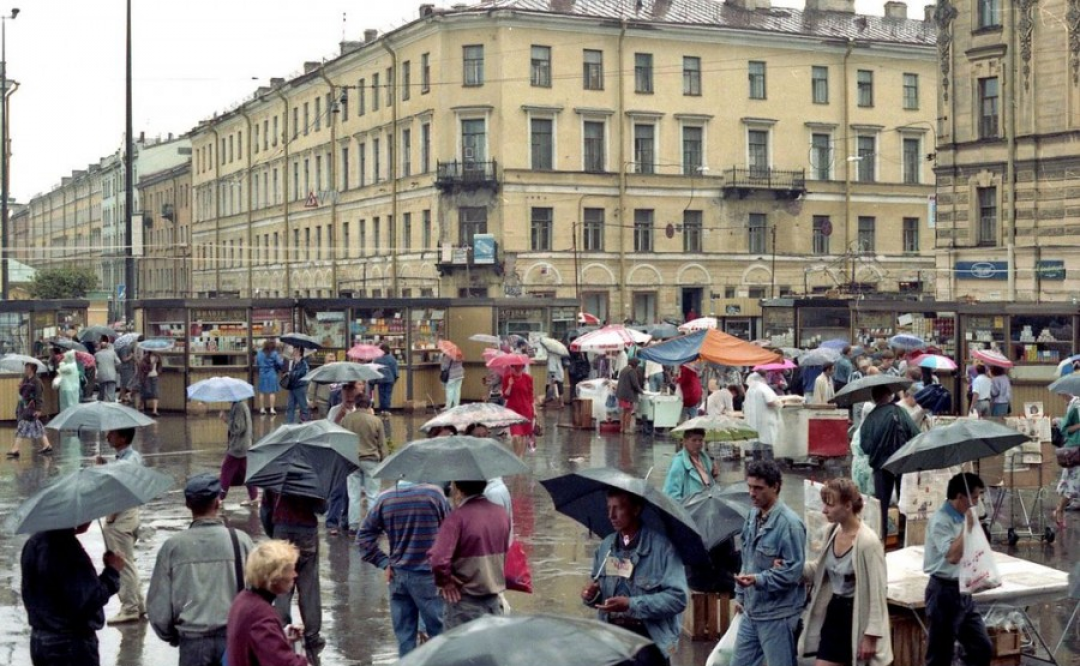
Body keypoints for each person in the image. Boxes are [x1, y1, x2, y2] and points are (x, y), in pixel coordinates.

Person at [147, 474, 255, 666]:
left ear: (188, 504)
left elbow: (158, 605)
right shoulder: (241, 541)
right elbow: (258, 595)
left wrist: (174, 635)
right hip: (233, 639)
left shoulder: (172, 547)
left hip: (192, 642)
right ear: (218, 502)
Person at [580, 489, 688, 660]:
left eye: (618, 508)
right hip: (613, 639)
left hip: (649, 640)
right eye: (609, 508)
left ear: (636, 509)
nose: (611, 515)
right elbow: (599, 589)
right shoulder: (606, 547)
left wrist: (631, 604)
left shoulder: (663, 549)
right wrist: (591, 595)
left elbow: (678, 599)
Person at [799, 478, 892, 666]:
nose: (824, 510)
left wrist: (871, 635)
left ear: (848, 505)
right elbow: (821, 568)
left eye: (830, 505)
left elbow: (878, 590)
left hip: (857, 614)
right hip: (834, 611)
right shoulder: (832, 531)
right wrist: (790, 569)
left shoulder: (868, 542)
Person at [356, 479, 451, 656]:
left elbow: (363, 539)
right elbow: (452, 533)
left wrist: (385, 563)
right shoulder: (434, 495)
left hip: (398, 577)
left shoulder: (385, 498)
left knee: (405, 639)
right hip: (428, 577)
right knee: (440, 637)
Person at [732, 459, 807, 666]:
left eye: (758, 488)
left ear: (775, 487)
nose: (752, 493)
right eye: (749, 487)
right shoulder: (752, 516)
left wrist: (758, 580)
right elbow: (746, 559)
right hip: (751, 612)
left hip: (778, 616)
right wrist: (740, 595)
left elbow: (793, 572)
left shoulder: (789, 525)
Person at [21, 523, 125, 666]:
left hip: (40, 640)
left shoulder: (33, 543)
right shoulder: (67, 549)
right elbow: (88, 600)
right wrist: (112, 571)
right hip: (69, 645)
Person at [924, 472, 992, 666]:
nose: (977, 503)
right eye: (976, 497)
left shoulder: (965, 516)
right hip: (943, 591)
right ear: (961, 497)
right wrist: (967, 529)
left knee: (981, 647)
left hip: (964, 590)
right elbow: (953, 556)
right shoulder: (940, 520)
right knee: (940, 653)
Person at [428, 479, 511, 629]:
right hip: (493, 599)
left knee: (462, 651)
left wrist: (445, 582)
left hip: (463, 603)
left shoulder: (457, 518)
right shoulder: (501, 513)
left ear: (457, 488)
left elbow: (438, 559)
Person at [262, 488, 326, 663]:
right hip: (307, 531)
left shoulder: (275, 473)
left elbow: (265, 509)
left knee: (281, 583)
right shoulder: (311, 475)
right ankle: (312, 635)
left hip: (281, 529)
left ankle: (282, 627)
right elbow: (321, 508)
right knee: (309, 586)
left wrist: (273, 532)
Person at [225, 539, 309, 666]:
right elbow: (282, 662)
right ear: (275, 576)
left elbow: (258, 645)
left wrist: (281, 635)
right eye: (290, 570)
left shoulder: (244, 599)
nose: (295, 575)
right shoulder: (261, 614)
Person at [96, 427, 146, 625]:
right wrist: (106, 466)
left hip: (122, 515)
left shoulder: (127, 461)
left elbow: (122, 489)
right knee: (128, 562)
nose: (107, 436)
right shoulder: (128, 457)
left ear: (123, 437)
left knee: (121, 563)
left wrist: (112, 516)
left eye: (112, 433)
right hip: (127, 514)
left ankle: (130, 607)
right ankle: (138, 604)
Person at [859, 385, 920, 537]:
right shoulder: (900, 412)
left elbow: (865, 447)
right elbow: (915, 434)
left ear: (874, 398)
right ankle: (905, 536)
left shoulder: (870, 418)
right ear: (889, 395)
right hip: (902, 463)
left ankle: (882, 537)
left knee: (882, 504)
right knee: (905, 500)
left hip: (880, 466)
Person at [341, 394, 388, 533]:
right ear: (369, 405)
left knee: (353, 495)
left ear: (356, 403)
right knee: (372, 494)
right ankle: (373, 525)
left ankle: (353, 526)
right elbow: (382, 445)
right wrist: (384, 461)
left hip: (351, 460)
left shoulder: (346, 420)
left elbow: (342, 439)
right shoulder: (375, 421)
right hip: (371, 460)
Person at [8, 362, 52, 457]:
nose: (25, 369)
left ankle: (16, 448)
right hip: (24, 406)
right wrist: (21, 387)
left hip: (30, 407)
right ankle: (46, 445)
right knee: (36, 425)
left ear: (31, 369)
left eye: (27, 367)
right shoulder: (25, 379)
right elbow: (22, 393)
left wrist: (38, 409)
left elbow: (39, 396)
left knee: (22, 425)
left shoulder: (37, 381)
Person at [220, 398, 258, 506]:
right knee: (246, 472)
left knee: (226, 470)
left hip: (238, 447)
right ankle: (254, 497)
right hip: (244, 445)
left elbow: (239, 428)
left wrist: (226, 420)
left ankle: (220, 498)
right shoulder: (241, 405)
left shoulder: (239, 407)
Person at [663, 428, 717, 501]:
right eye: (694, 440)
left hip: (706, 505)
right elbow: (670, 494)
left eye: (700, 440)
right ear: (685, 441)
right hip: (689, 508)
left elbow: (708, 484)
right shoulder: (679, 462)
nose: (698, 443)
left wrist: (713, 475)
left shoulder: (705, 459)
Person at [1053, 391, 1080, 526]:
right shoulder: (1075, 405)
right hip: (1076, 449)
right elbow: (1065, 429)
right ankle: (1060, 509)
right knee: (1073, 484)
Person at [743, 372, 782, 459]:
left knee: (756, 445)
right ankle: (768, 465)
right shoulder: (763, 387)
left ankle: (756, 466)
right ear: (763, 378)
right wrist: (780, 403)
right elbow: (770, 402)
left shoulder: (750, 389)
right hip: (765, 422)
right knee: (767, 445)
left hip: (754, 423)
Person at [502, 363, 535, 456]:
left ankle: (520, 459)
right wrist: (509, 385)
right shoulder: (507, 378)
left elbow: (531, 396)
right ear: (511, 367)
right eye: (514, 367)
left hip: (526, 411)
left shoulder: (528, 378)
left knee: (524, 436)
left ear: (523, 367)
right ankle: (517, 457)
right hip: (513, 412)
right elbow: (505, 395)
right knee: (516, 436)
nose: (518, 370)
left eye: (520, 367)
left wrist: (534, 410)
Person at [616, 358, 644, 435]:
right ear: (634, 364)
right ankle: (627, 429)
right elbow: (635, 384)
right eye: (637, 364)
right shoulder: (632, 371)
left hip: (621, 394)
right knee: (628, 411)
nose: (637, 366)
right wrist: (641, 391)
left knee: (624, 411)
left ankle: (622, 428)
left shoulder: (624, 369)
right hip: (628, 395)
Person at [255, 339, 284, 416]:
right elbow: (280, 363)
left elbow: (257, 362)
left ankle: (262, 409)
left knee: (262, 392)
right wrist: (282, 358)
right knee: (272, 392)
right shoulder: (274, 353)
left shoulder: (259, 353)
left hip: (262, 374)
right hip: (272, 374)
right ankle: (272, 409)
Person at [284, 347, 309, 424]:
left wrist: (290, 374)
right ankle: (289, 424)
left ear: (299, 352)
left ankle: (306, 423)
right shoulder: (293, 361)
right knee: (290, 407)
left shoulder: (303, 362)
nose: (293, 352)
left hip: (300, 387)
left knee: (303, 406)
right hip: (292, 387)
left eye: (295, 350)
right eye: (293, 350)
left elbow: (300, 373)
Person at [373, 343, 400, 414]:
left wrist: (374, 380)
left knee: (381, 394)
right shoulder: (392, 359)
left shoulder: (377, 359)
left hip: (380, 379)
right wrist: (395, 378)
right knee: (388, 394)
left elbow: (375, 369)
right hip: (390, 379)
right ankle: (387, 409)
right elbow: (395, 370)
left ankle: (382, 409)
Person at [94, 337, 122, 403]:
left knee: (102, 392)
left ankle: (101, 403)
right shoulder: (112, 353)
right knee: (111, 392)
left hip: (102, 375)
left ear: (100, 346)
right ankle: (111, 403)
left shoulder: (97, 354)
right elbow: (119, 362)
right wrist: (113, 366)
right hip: (112, 374)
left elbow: (95, 365)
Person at [56, 349, 81, 413]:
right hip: (71, 388)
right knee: (69, 404)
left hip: (69, 388)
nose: (64, 358)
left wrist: (61, 362)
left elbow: (61, 369)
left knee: (68, 405)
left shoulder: (70, 366)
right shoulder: (72, 364)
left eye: (65, 357)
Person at [138, 351, 161, 416]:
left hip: (154, 376)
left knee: (155, 393)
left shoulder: (158, 356)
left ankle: (154, 410)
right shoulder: (145, 358)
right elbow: (147, 368)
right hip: (146, 377)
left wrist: (158, 372)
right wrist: (153, 362)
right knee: (145, 392)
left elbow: (160, 365)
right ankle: (140, 406)